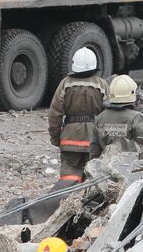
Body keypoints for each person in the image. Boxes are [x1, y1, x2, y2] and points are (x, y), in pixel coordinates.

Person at [48, 48, 108, 184]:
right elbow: (108, 114)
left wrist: (55, 137)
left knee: (68, 179)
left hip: (69, 139)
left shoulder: (65, 84)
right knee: (93, 177)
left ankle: (67, 200)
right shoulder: (101, 85)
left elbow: (54, 114)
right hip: (94, 140)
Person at [90, 75, 143, 158]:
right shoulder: (134, 118)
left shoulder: (100, 118)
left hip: (106, 164)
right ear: (132, 94)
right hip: (128, 165)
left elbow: (94, 150)